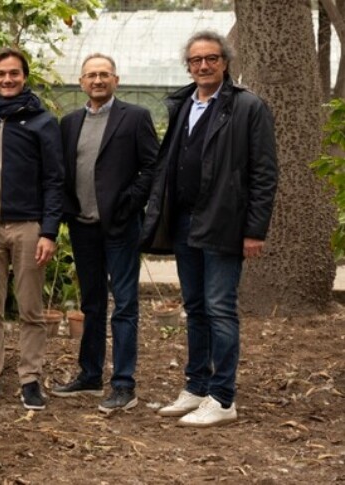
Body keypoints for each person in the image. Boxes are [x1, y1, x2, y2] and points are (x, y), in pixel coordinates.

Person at [141, 31, 277, 427]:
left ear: (225, 63)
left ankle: (223, 397)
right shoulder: (184, 104)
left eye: (211, 59)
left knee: (220, 308)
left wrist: (255, 229)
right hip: (184, 222)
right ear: (188, 65)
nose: (203, 65)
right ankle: (196, 387)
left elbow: (264, 173)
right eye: (196, 60)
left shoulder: (248, 106)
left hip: (224, 223)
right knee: (196, 307)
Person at [50, 53, 158, 413]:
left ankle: (124, 384)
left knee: (124, 305)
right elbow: (62, 170)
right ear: (81, 82)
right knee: (91, 303)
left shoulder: (135, 118)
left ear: (116, 79)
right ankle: (90, 374)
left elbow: (151, 167)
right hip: (83, 227)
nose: (97, 80)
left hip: (121, 227)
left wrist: (129, 203)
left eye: (104, 74)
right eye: (91, 75)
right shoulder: (69, 123)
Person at [0, 48, 63, 411]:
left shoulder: (43, 122)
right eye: (0, 74)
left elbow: (55, 179)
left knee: (30, 307)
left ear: (25, 77)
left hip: (28, 227)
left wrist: (49, 231)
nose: (7, 80)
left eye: (14, 74)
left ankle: (30, 378)